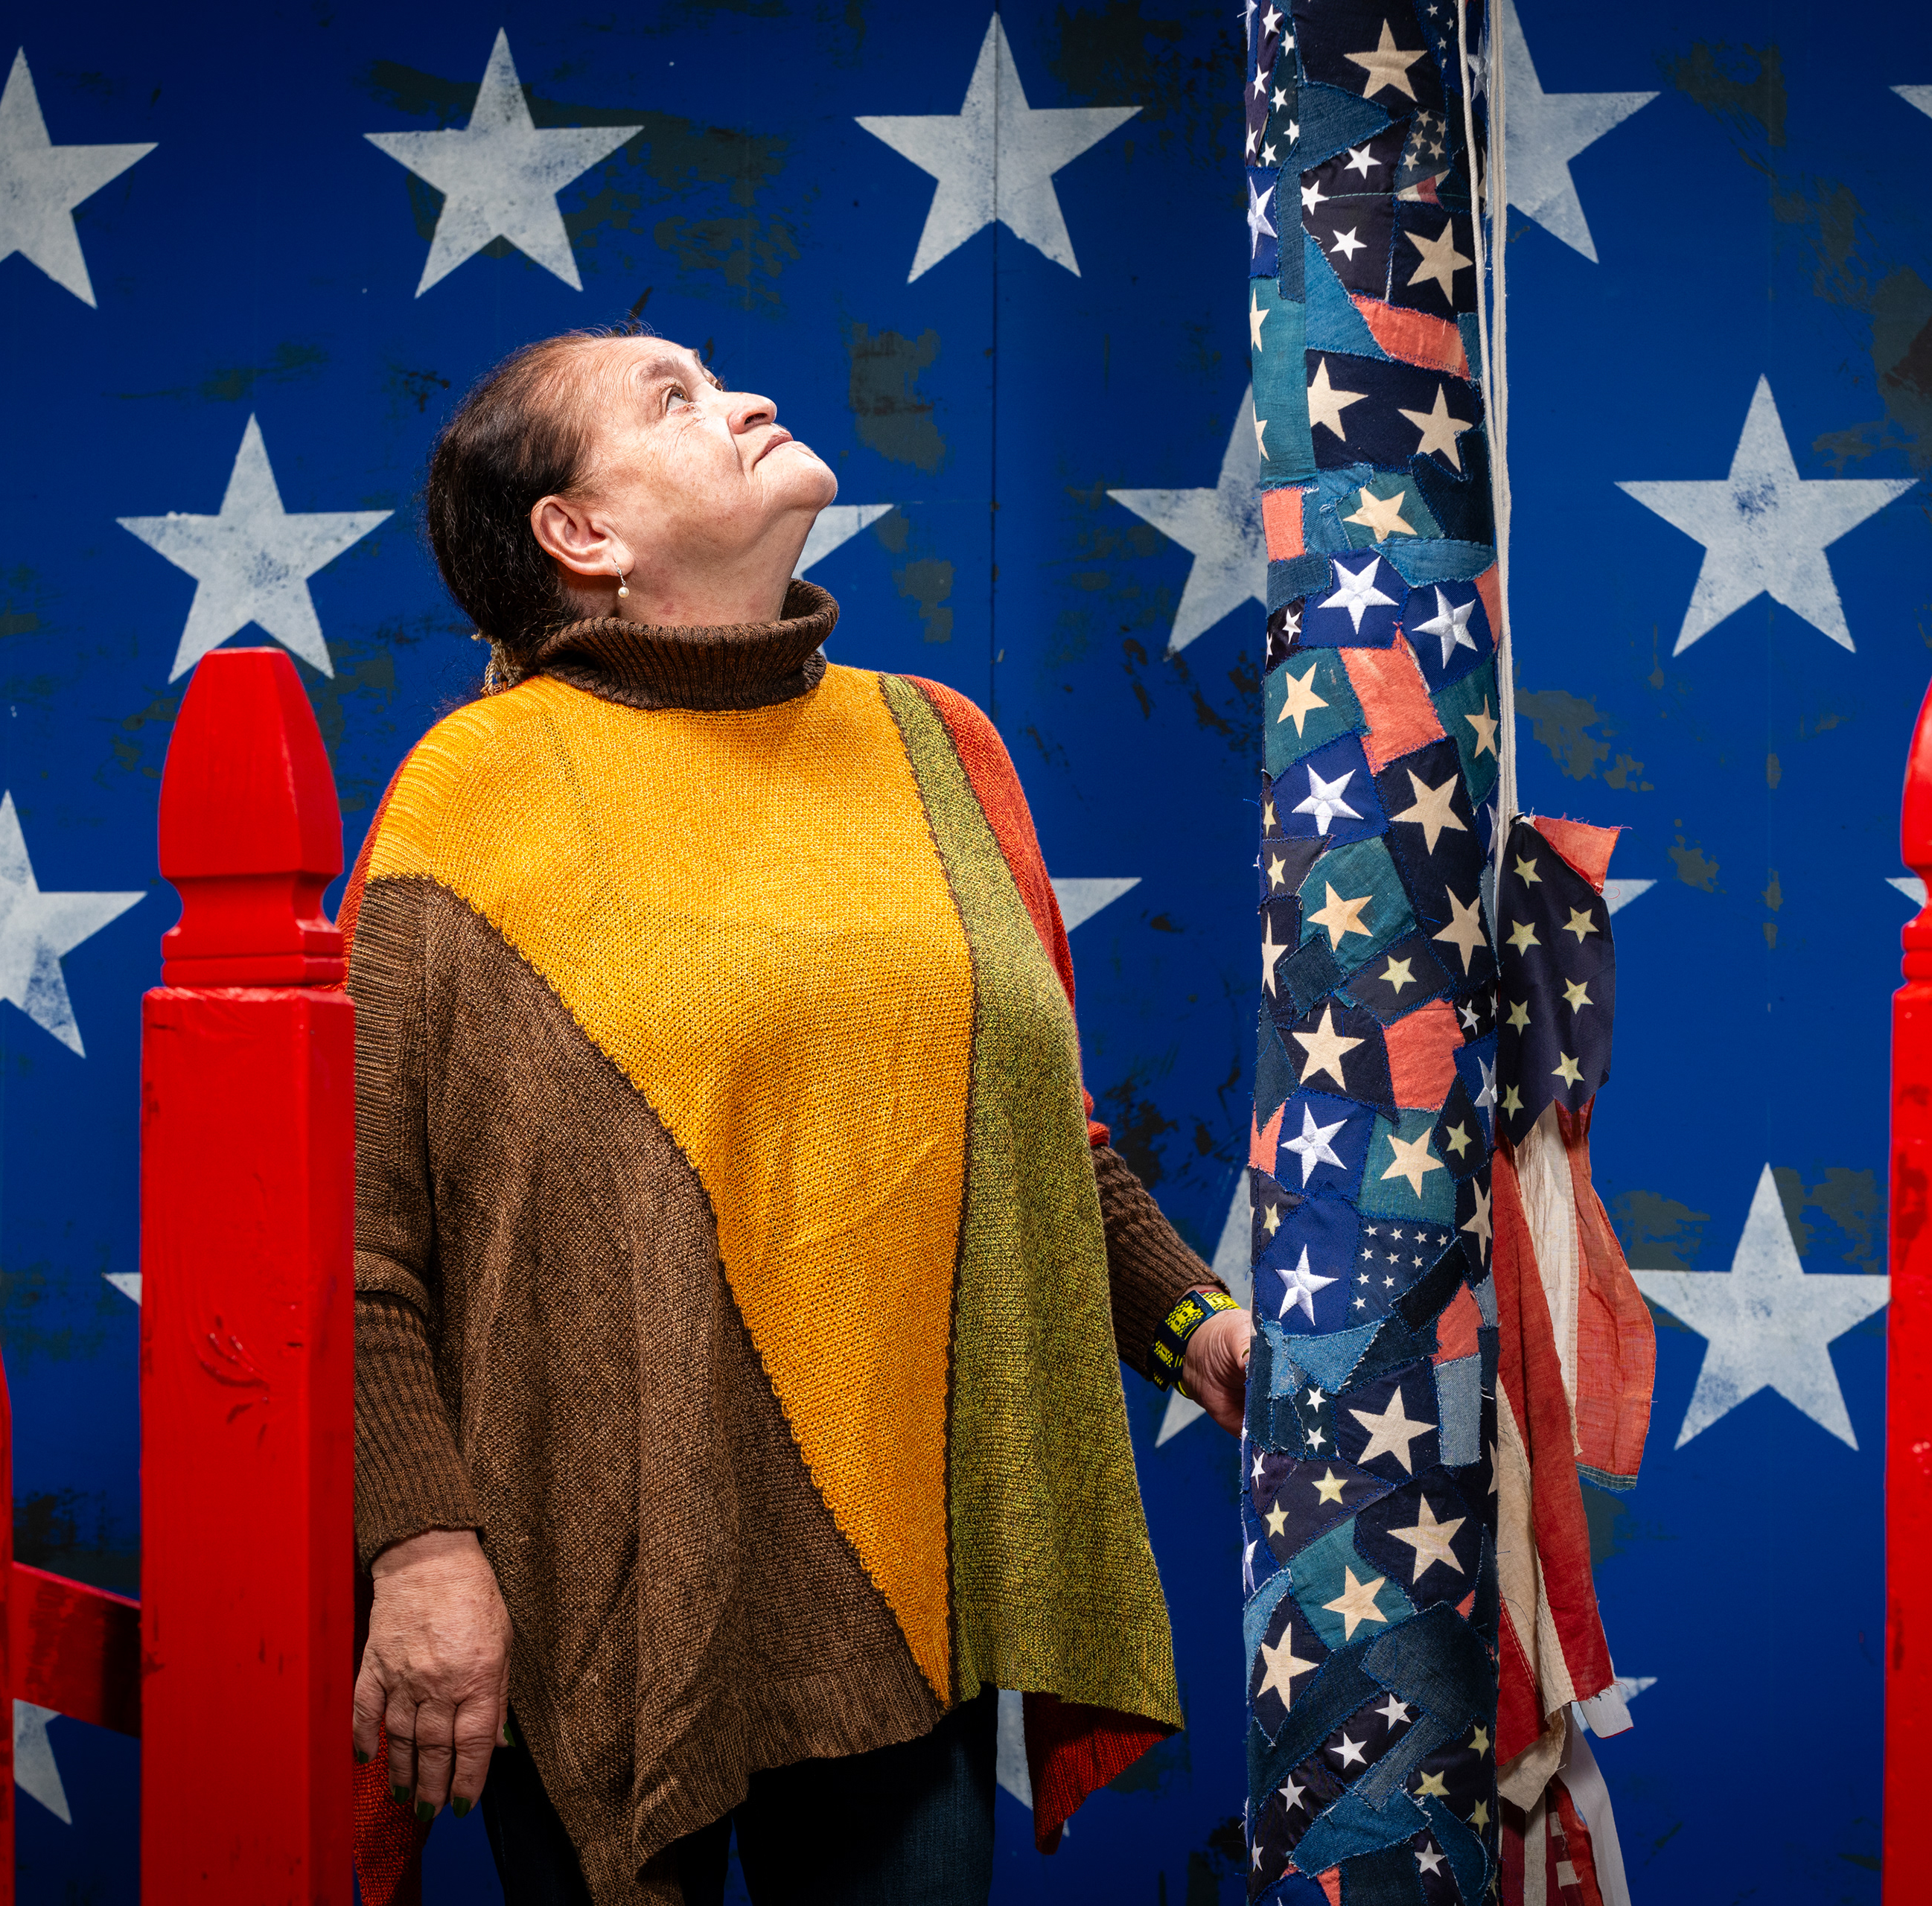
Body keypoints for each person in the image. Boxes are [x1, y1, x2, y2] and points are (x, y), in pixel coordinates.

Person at [341, 322, 1253, 1906]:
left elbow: (1032, 1145)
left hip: (905, 1579)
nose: (747, 398)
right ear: (580, 533)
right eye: (674, 398)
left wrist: (1197, 1324)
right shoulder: (472, 797)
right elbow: (360, 1239)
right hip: (599, 1586)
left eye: (720, 377)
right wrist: (420, 1545)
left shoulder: (941, 748)